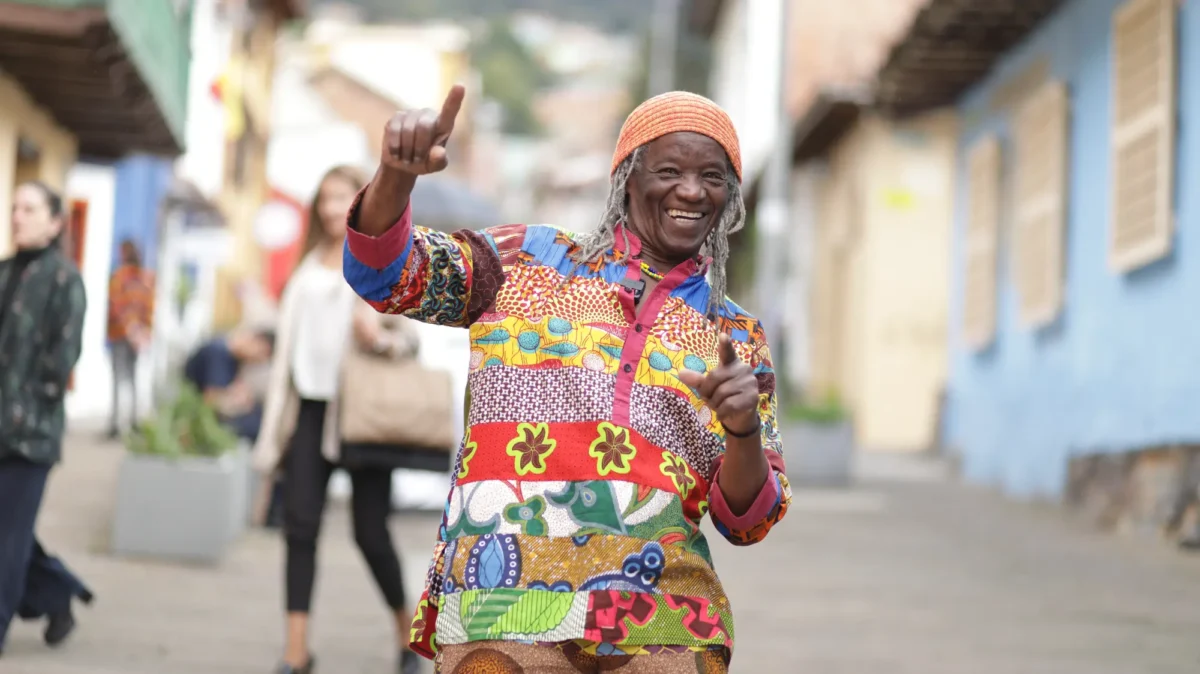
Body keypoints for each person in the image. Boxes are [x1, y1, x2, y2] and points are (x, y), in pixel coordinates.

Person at [343, 87, 792, 674]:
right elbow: (389, 275)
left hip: (664, 622)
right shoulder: (528, 260)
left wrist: (742, 431)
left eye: (712, 177)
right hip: (501, 606)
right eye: (669, 171)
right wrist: (395, 178)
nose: (691, 190)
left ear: (728, 196)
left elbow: (747, 520)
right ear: (626, 179)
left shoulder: (735, 335)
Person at [253, 165, 422, 674]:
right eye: (324, 198)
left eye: (341, 197)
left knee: (371, 534)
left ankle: (406, 634)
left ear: (363, 202)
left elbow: (410, 342)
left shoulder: (381, 261)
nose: (331, 208)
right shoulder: (306, 265)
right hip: (309, 409)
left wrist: (380, 339)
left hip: (361, 414)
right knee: (299, 527)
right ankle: (296, 652)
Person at [0, 182, 93, 656]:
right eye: (15, 208)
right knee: (9, 532)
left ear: (55, 222)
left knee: (8, 538)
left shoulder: (63, 279)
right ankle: (55, 593)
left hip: (29, 436)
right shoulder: (4, 272)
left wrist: (26, 406)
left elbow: (62, 358)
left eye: (30, 209)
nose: (18, 216)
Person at [183, 326, 276, 442]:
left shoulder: (232, 359)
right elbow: (211, 402)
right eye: (261, 353)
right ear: (255, 341)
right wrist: (239, 402)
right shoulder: (220, 354)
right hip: (197, 414)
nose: (258, 360)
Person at [105, 238, 155, 439]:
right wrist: (143, 331)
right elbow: (149, 307)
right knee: (132, 378)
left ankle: (117, 423)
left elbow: (116, 304)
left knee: (119, 378)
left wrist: (131, 329)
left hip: (121, 333)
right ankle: (133, 421)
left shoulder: (119, 277)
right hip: (135, 336)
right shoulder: (146, 278)